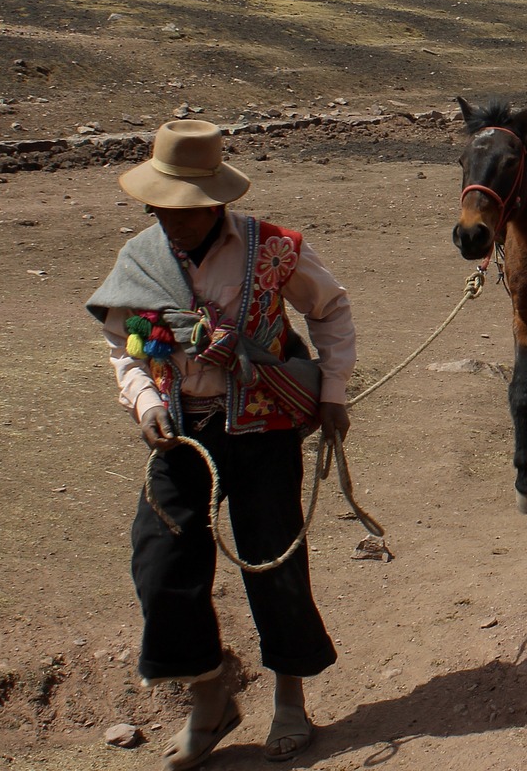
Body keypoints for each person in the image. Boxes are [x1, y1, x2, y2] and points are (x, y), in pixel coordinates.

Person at [86, 120, 356, 767]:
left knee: (274, 560)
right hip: (182, 432)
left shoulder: (275, 249)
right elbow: (123, 343)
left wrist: (334, 392)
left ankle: (290, 701)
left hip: (264, 429)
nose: (166, 218)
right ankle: (210, 696)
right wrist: (145, 399)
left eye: (179, 207)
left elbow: (331, 310)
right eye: (158, 205)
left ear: (216, 201)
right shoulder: (141, 259)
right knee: (159, 563)